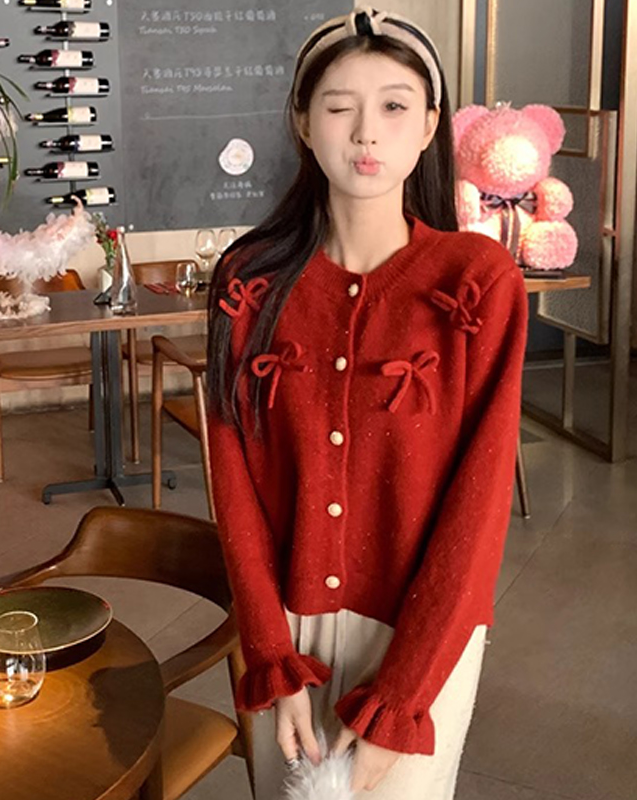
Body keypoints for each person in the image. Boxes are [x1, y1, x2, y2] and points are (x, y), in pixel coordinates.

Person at [206, 6, 528, 799]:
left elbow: (481, 504)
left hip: (423, 634)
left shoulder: (478, 283)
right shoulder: (248, 283)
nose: (365, 133)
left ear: (430, 126)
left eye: (393, 106)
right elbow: (232, 484)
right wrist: (268, 653)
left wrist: (403, 692)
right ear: (302, 122)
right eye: (339, 106)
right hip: (283, 628)